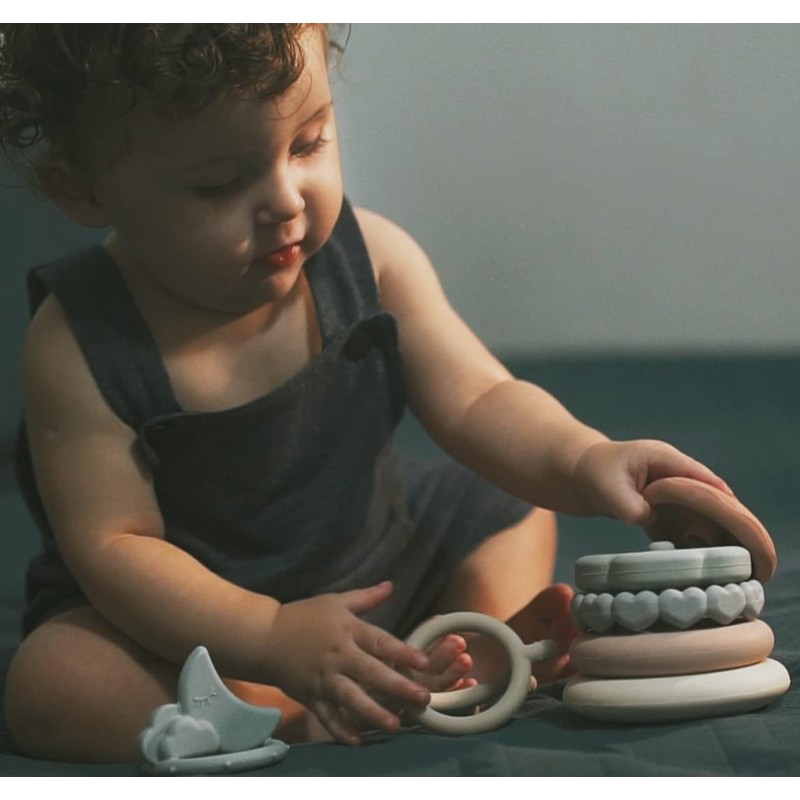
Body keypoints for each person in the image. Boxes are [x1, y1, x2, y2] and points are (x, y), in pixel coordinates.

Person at [0, 23, 731, 763]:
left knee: (510, 507)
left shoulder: (372, 259)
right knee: (54, 682)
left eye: (308, 143)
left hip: (384, 564)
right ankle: (289, 713)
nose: (285, 200)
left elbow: (480, 400)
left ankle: (466, 653)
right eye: (218, 183)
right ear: (81, 188)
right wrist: (272, 637)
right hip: (192, 629)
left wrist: (584, 458)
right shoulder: (77, 343)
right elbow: (116, 546)